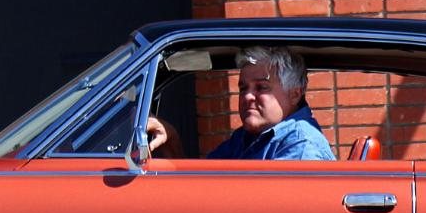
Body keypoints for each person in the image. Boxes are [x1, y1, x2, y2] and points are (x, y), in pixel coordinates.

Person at [143, 45, 335, 161]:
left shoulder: (301, 145)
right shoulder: (245, 138)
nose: (248, 96)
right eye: (243, 88)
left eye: (261, 87)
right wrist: (172, 139)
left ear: (294, 94)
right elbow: (200, 187)